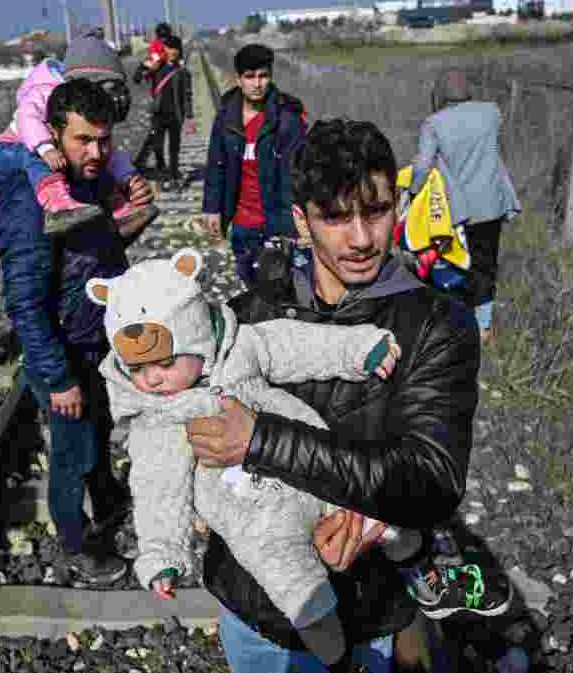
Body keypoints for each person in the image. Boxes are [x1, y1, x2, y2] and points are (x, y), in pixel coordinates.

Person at [186, 119, 510, 673]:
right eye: (335, 217)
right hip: (249, 605)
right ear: (301, 222)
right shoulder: (247, 314)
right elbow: (189, 418)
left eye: (376, 211)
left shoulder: (435, 323)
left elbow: (430, 479)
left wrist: (260, 440)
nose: (361, 239)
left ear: (398, 207)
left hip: (365, 607)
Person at [87, 248, 421, 672]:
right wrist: (162, 553)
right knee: (301, 593)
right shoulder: (158, 424)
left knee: (379, 522)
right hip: (257, 522)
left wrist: (358, 349)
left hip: (311, 466)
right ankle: (339, 661)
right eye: (138, 369)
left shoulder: (241, 347)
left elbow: (296, 345)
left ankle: (426, 570)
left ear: (197, 337)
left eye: (167, 362)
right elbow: (157, 492)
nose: (153, 379)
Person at [0, 78, 159, 585]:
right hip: (64, 351)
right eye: (84, 140)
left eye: (104, 140)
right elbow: (24, 299)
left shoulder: (86, 183)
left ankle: (106, 505)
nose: (97, 151)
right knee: (70, 451)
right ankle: (76, 544)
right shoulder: (31, 199)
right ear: (55, 136)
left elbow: (97, 247)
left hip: (94, 343)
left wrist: (137, 216)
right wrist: (56, 375)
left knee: (98, 435)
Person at [0, 36, 154, 235]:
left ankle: (120, 212)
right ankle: (57, 205)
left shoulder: (79, 124)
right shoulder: (48, 94)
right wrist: (46, 148)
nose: (95, 151)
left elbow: (111, 153)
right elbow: (26, 118)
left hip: (46, 147)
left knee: (97, 166)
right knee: (39, 158)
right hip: (13, 147)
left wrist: (128, 178)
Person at [408, 70, 521, 346]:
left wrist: (412, 194)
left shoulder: (434, 124)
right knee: (485, 266)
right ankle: (482, 328)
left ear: (439, 95)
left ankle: (451, 327)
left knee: (451, 266)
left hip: (454, 211)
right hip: (491, 206)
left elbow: (422, 167)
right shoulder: (491, 113)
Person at [201, 43, 308, 288]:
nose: (257, 83)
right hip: (241, 222)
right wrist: (212, 207)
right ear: (238, 79)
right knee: (248, 282)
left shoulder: (287, 119)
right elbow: (216, 165)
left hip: (277, 221)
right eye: (250, 77)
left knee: (280, 287)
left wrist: (298, 219)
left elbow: (297, 173)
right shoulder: (226, 118)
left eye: (263, 76)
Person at [133, 34, 194, 190]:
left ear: (179, 51)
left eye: (175, 49)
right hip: (158, 113)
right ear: (164, 49)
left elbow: (187, 95)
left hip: (176, 115)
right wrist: (145, 65)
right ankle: (162, 171)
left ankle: (173, 176)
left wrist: (189, 118)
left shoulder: (182, 71)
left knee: (174, 147)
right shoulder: (156, 67)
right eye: (169, 48)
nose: (172, 51)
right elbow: (136, 78)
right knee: (158, 146)